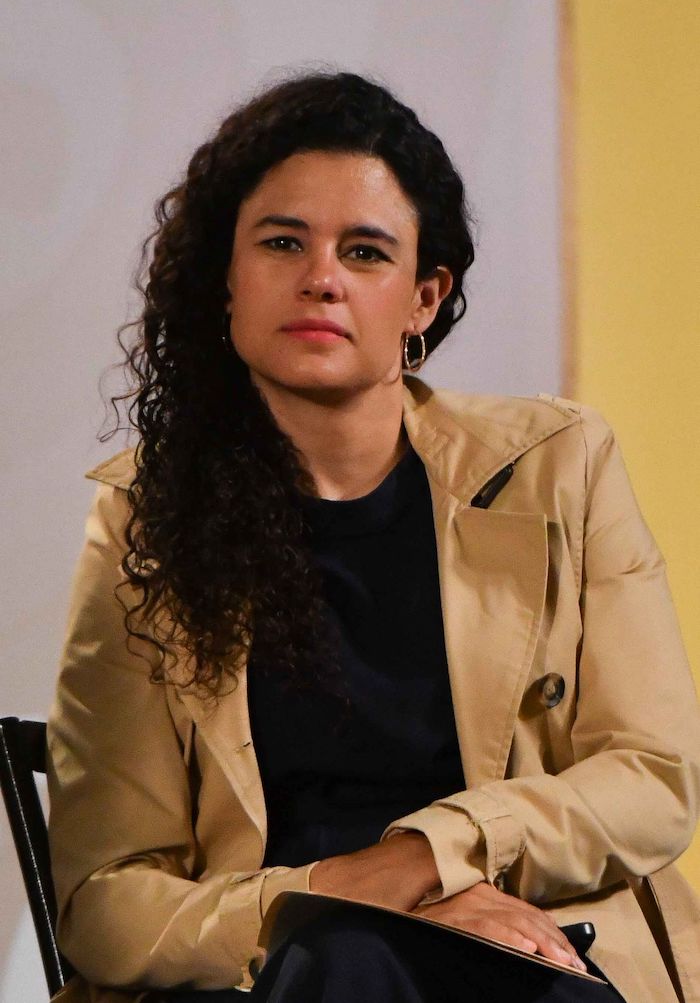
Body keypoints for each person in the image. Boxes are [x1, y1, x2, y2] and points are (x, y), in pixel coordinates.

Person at [46, 71, 700, 1003]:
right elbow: (107, 900)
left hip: (528, 947)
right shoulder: (140, 525)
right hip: (268, 975)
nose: (321, 277)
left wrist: (432, 856)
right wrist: (333, 893)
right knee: (342, 963)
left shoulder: (563, 467)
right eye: (282, 242)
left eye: (365, 251)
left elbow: (654, 776)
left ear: (424, 298)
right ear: (224, 283)